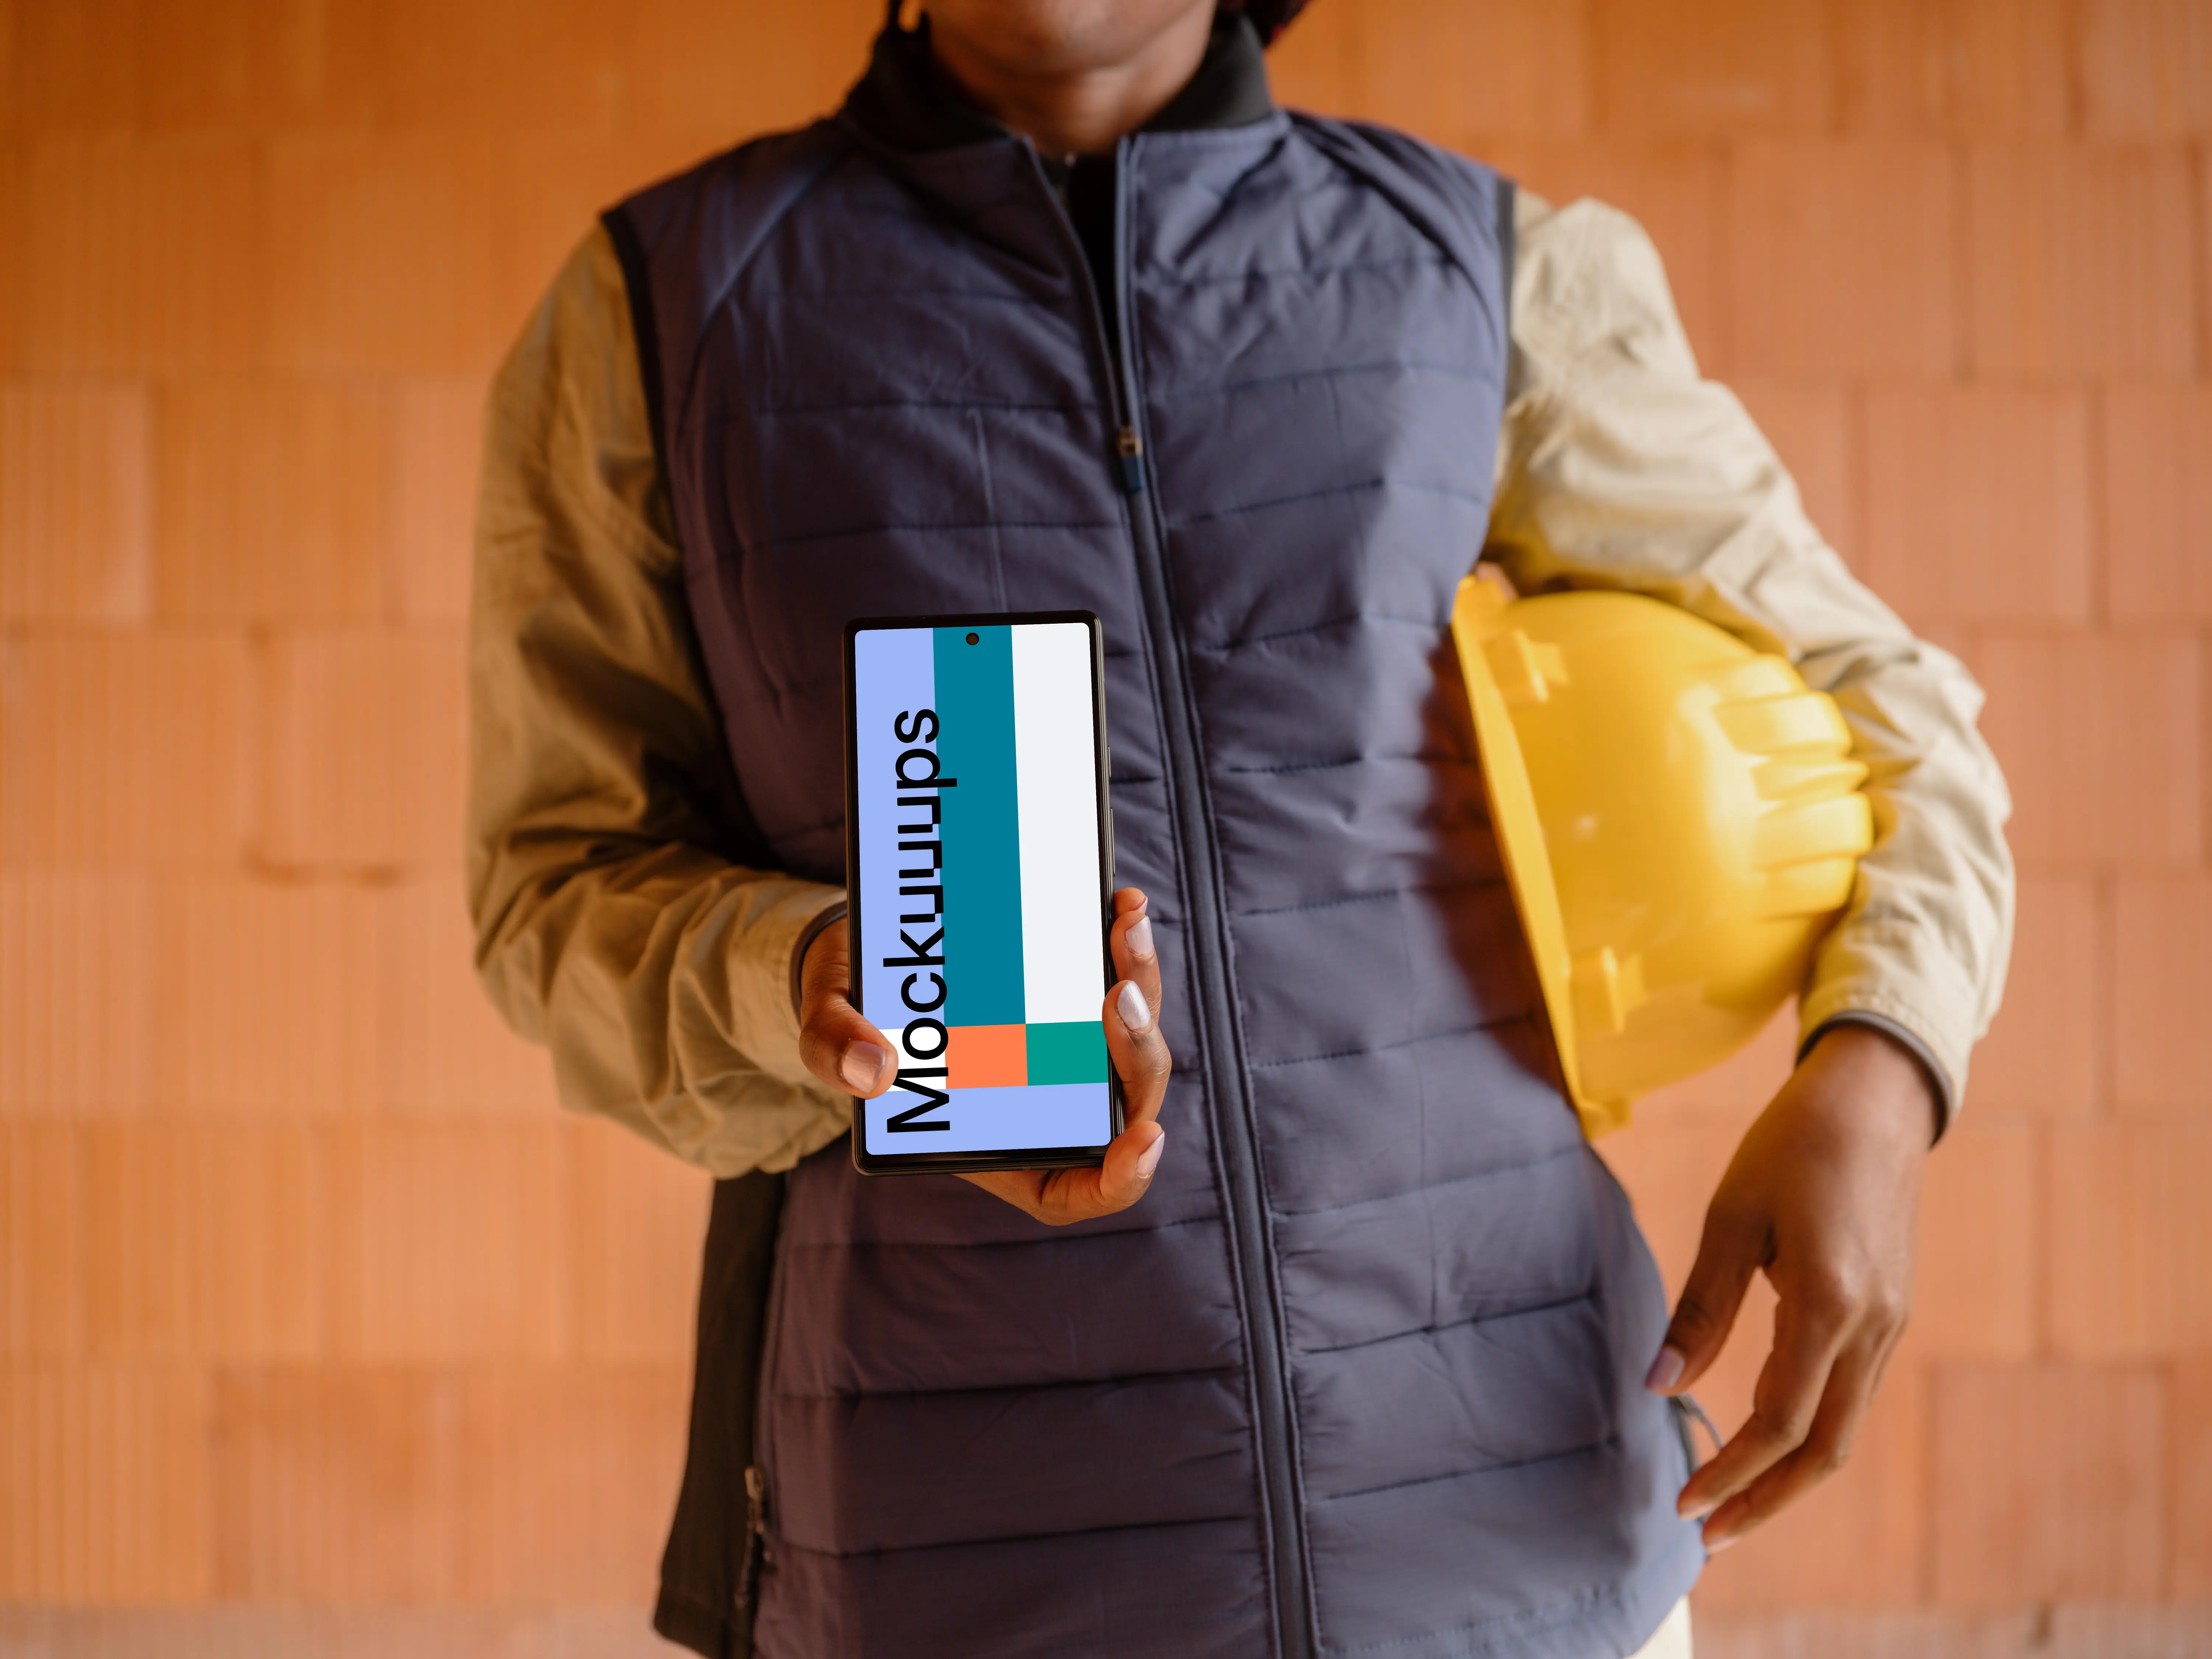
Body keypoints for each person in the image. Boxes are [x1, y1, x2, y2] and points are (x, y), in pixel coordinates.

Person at [466, 1, 2013, 1654]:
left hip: (1530, 1548)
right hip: (957, 1578)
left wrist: (1882, 1063)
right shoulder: (663, 310)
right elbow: (552, 892)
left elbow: (1880, 704)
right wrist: (811, 983)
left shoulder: (1483, 268)